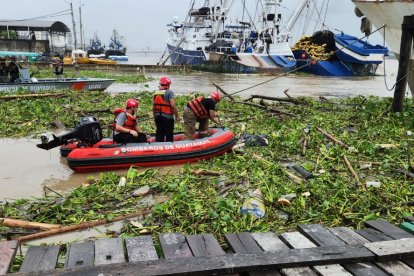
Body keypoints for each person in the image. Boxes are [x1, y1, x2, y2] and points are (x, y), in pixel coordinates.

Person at [153, 76, 180, 142]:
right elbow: (173, 105)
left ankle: (159, 147)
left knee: (159, 132)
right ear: (168, 85)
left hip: (158, 117)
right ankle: (169, 147)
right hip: (167, 118)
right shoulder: (169, 92)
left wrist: (155, 116)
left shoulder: (156, 93)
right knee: (169, 133)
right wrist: (177, 116)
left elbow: (153, 107)